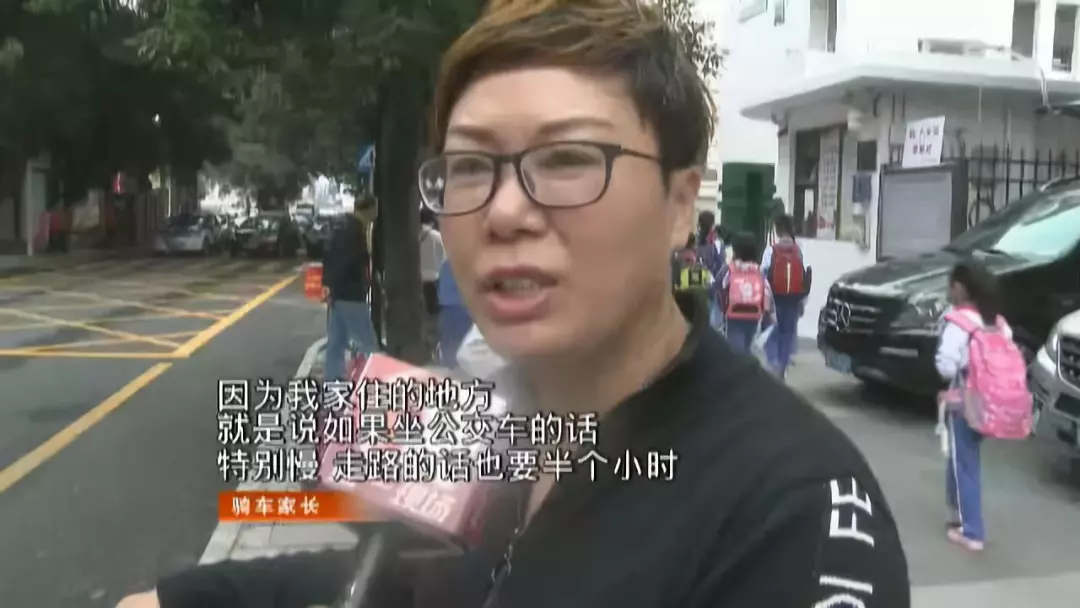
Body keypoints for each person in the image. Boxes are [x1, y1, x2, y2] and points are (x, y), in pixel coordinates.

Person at [117, 1, 908, 606]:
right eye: (468, 167)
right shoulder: (481, 418)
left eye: (566, 159)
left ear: (678, 203)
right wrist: (187, 599)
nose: (502, 212)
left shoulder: (795, 514)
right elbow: (407, 580)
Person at [935, 259, 1025, 553]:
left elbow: (946, 368)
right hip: (993, 403)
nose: (949, 291)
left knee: (965, 463)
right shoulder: (998, 323)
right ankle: (958, 513)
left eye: (951, 286)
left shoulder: (958, 323)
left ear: (961, 288)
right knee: (962, 458)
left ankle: (972, 531)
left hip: (965, 403)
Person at [320, 205, 379, 381]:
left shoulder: (343, 227)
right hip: (351, 293)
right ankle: (375, 378)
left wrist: (329, 285)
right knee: (367, 341)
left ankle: (333, 378)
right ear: (369, 210)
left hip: (340, 293)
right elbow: (344, 262)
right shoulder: (352, 232)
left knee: (337, 340)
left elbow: (331, 258)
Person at [761, 213, 809, 378]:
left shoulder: (771, 249)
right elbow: (806, 275)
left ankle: (772, 363)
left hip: (775, 298)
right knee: (788, 334)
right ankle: (782, 366)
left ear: (778, 230)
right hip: (794, 298)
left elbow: (763, 273)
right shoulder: (799, 249)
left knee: (772, 330)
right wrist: (803, 299)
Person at [721, 232, 773, 353]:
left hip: (733, 314)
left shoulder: (730, 269)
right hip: (754, 315)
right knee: (748, 346)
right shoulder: (758, 271)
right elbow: (767, 292)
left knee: (735, 350)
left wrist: (723, 308)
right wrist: (767, 315)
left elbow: (720, 286)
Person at [419, 206, 447, 361]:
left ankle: (423, 347)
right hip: (435, 282)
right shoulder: (438, 237)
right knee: (434, 318)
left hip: (417, 282)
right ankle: (433, 349)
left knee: (421, 317)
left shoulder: (412, 237)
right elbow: (445, 260)